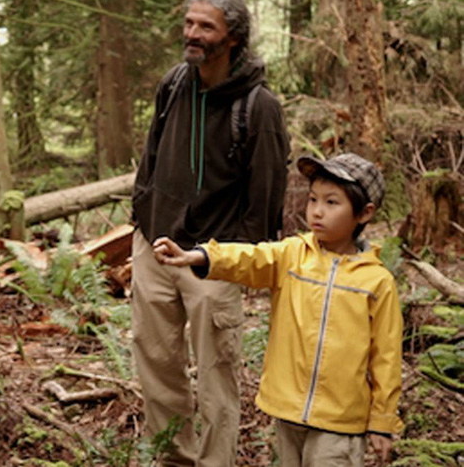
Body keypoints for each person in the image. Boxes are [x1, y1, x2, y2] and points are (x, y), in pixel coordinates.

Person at [152, 152, 402, 467]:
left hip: (341, 421)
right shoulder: (293, 255)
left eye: (331, 203)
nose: (317, 212)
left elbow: (387, 357)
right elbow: (249, 258)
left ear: (364, 214)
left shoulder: (377, 282)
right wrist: (199, 257)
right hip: (289, 410)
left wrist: (382, 421)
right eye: (313, 200)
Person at [130, 0, 290, 466]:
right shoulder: (175, 83)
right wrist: (142, 216)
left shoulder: (258, 106)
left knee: (217, 375)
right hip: (155, 247)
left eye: (206, 27)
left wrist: (244, 261)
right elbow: (151, 156)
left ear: (234, 38)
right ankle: (172, 458)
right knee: (157, 366)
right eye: (189, 23)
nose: (192, 34)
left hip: (214, 261)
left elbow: (266, 191)